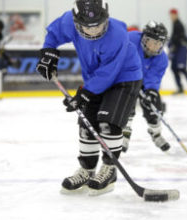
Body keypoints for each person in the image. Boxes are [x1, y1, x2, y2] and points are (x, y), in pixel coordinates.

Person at [36, 0, 142, 196]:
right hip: (95, 79)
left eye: (98, 26)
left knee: (108, 123)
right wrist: (48, 52)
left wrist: (84, 94)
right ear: (77, 22)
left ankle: (109, 170)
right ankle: (87, 169)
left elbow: (109, 72)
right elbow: (54, 33)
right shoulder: (69, 21)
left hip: (124, 77)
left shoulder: (117, 34)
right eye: (87, 27)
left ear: (106, 19)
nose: (93, 31)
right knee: (87, 125)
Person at [122, 21, 171, 153]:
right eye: (153, 42)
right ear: (144, 38)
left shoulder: (162, 59)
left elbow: (154, 78)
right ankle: (124, 133)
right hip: (126, 78)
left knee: (154, 106)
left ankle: (156, 133)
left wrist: (150, 91)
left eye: (159, 43)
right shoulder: (131, 38)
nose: (156, 46)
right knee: (126, 104)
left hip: (144, 81)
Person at [169, 8, 187, 95]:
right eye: (170, 15)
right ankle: (180, 88)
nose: (171, 16)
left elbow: (179, 38)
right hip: (176, 50)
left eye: (172, 15)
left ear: (176, 15)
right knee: (174, 69)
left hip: (181, 50)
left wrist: (173, 46)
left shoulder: (179, 24)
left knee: (182, 68)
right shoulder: (175, 24)